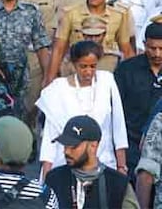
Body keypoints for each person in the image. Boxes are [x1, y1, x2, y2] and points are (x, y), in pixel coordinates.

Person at [37, 40, 129, 177]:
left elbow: (118, 125)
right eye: (83, 66)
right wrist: (46, 173)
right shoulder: (57, 89)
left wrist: (121, 166)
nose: (88, 72)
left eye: (93, 66)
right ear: (74, 64)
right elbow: (50, 135)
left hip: (103, 160)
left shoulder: (107, 82)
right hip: (66, 162)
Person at [45, 0, 135, 83]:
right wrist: (49, 79)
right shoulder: (71, 13)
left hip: (105, 71)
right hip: (76, 70)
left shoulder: (119, 15)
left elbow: (126, 49)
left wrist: (133, 80)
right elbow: (59, 49)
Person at [0, 0, 51, 117]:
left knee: (22, 116)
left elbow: (41, 45)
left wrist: (48, 77)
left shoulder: (31, 11)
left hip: (22, 75)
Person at [45, 115, 138, 208]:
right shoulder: (54, 178)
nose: (66, 151)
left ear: (93, 146)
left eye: (74, 146)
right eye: (65, 146)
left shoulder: (118, 184)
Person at [115, 22, 162, 177]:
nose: (157, 54)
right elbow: (115, 108)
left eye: (161, 49)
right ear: (144, 45)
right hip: (131, 143)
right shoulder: (126, 69)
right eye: (152, 48)